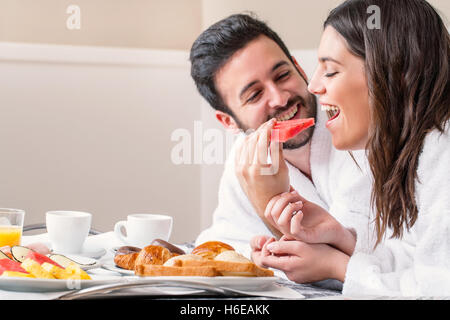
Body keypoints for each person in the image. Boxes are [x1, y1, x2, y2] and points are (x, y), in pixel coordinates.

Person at [238, 0, 450, 296]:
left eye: (331, 71)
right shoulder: (412, 152)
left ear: (394, 73)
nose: (313, 85)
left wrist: (337, 267)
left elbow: (435, 289)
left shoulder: (444, 154)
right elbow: (416, 258)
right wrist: (340, 238)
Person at [189, 12, 373, 285]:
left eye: (283, 75)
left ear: (298, 66)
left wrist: (269, 202)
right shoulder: (246, 161)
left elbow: (378, 262)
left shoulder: (357, 127)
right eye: (254, 95)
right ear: (228, 121)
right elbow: (224, 246)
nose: (279, 98)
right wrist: (260, 253)